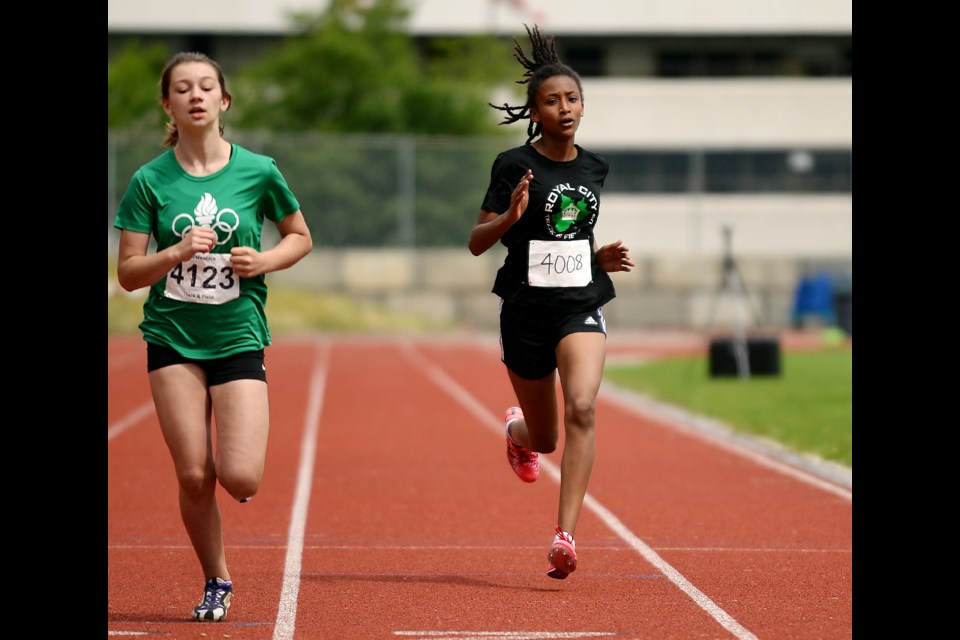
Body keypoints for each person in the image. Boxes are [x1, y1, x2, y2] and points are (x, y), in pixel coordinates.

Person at [113, 52, 313, 622]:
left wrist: (266, 259)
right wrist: (173, 252)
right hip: (172, 338)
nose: (195, 95)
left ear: (224, 101)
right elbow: (128, 273)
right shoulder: (149, 180)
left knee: (241, 475)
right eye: (183, 88)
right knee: (193, 471)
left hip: (238, 335)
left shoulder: (258, 170)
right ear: (168, 105)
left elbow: (300, 236)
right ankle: (217, 578)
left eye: (206, 86)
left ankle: (233, 496)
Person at [468, 25, 634, 579]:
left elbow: (569, 237)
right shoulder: (512, 165)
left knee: (582, 405)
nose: (564, 107)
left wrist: (596, 257)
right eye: (551, 101)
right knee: (546, 437)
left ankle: (565, 535)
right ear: (534, 112)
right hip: (524, 307)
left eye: (571, 98)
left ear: (582, 106)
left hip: (579, 302)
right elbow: (476, 241)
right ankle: (517, 434)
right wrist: (508, 219)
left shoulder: (595, 168)